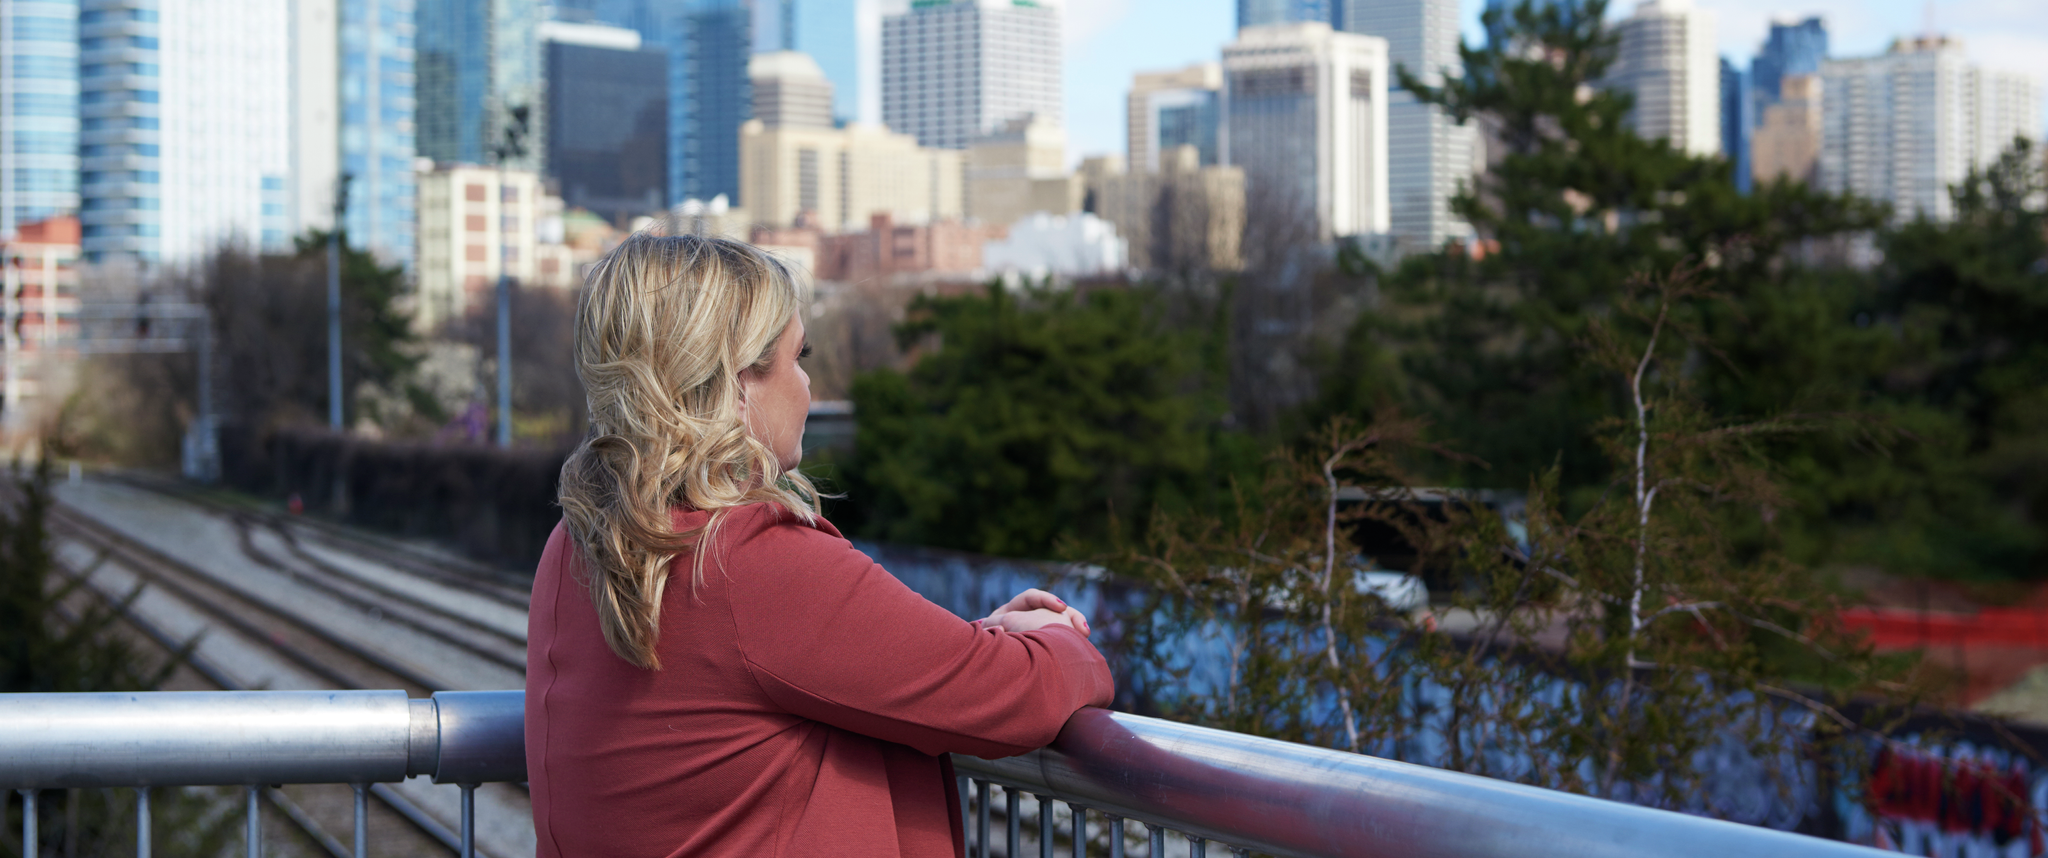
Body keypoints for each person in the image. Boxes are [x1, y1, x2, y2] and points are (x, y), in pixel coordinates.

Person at [526, 233, 1115, 858]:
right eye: (798, 356)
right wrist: (1061, 636)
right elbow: (1021, 696)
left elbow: (783, 669)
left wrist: (971, 644)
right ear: (737, 383)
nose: (807, 384)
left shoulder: (579, 544)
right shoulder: (748, 561)